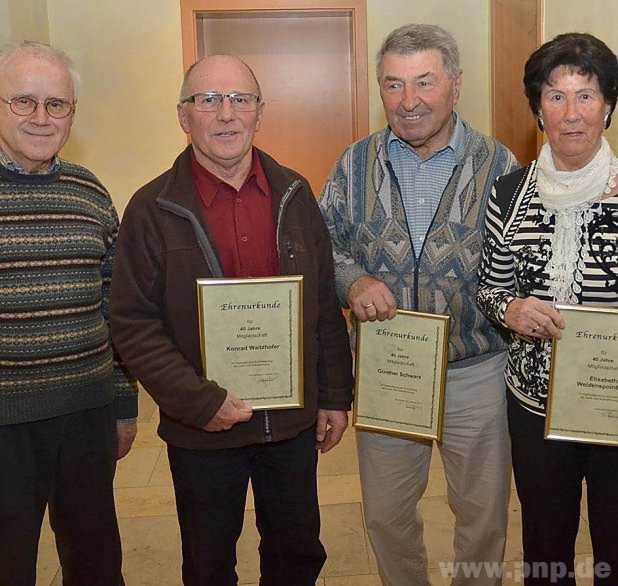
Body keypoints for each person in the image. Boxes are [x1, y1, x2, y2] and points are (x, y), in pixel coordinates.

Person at [109, 54, 354, 586]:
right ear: (183, 115)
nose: (225, 114)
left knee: (297, 553)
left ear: (259, 112)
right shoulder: (151, 208)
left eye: (240, 99)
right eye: (208, 100)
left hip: (289, 424)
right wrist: (200, 401)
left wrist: (335, 394)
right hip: (202, 427)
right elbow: (132, 323)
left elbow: (321, 306)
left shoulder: (296, 193)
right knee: (208, 561)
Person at [319, 24, 518, 586]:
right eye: (393, 85)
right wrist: (353, 281)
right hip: (387, 369)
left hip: (476, 370)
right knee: (386, 515)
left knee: (482, 516)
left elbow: (529, 257)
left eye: (424, 82)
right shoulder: (352, 166)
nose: (409, 102)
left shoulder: (501, 165)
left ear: (455, 85)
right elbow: (321, 244)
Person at [477, 32, 618, 585]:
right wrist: (509, 309)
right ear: (538, 109)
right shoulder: (509, 193)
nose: (571, 112)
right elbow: (488, 288)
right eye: (555, 96)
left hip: (613, 405)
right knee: (546, 546)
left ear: (608, 106)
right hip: (534, 406)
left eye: (586, 95)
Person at [0, 41, 138, 586]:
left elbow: (117, 306)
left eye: (56, 104)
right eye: (23, 102)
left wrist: (124, 403)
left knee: (95, 557)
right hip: (4, 424)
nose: (41, 117)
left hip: (86, 414)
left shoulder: (89, 191)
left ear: (72, 113)